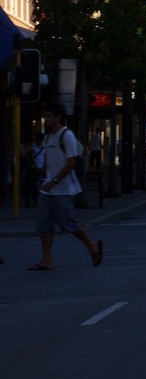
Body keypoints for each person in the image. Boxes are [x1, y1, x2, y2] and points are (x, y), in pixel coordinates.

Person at [27, 102, 102, 272]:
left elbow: (71, 162)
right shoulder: (48, 137)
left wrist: (55, 180)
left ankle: (92, 245)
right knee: (44, 225)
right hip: (47, 189)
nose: (46, 119)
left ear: (58, 117)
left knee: (69, 223)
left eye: (49, 116)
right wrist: (46, 178)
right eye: (44, 116)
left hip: (64, 189)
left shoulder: (66, 135)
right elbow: (48, 159)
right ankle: (47, 260)